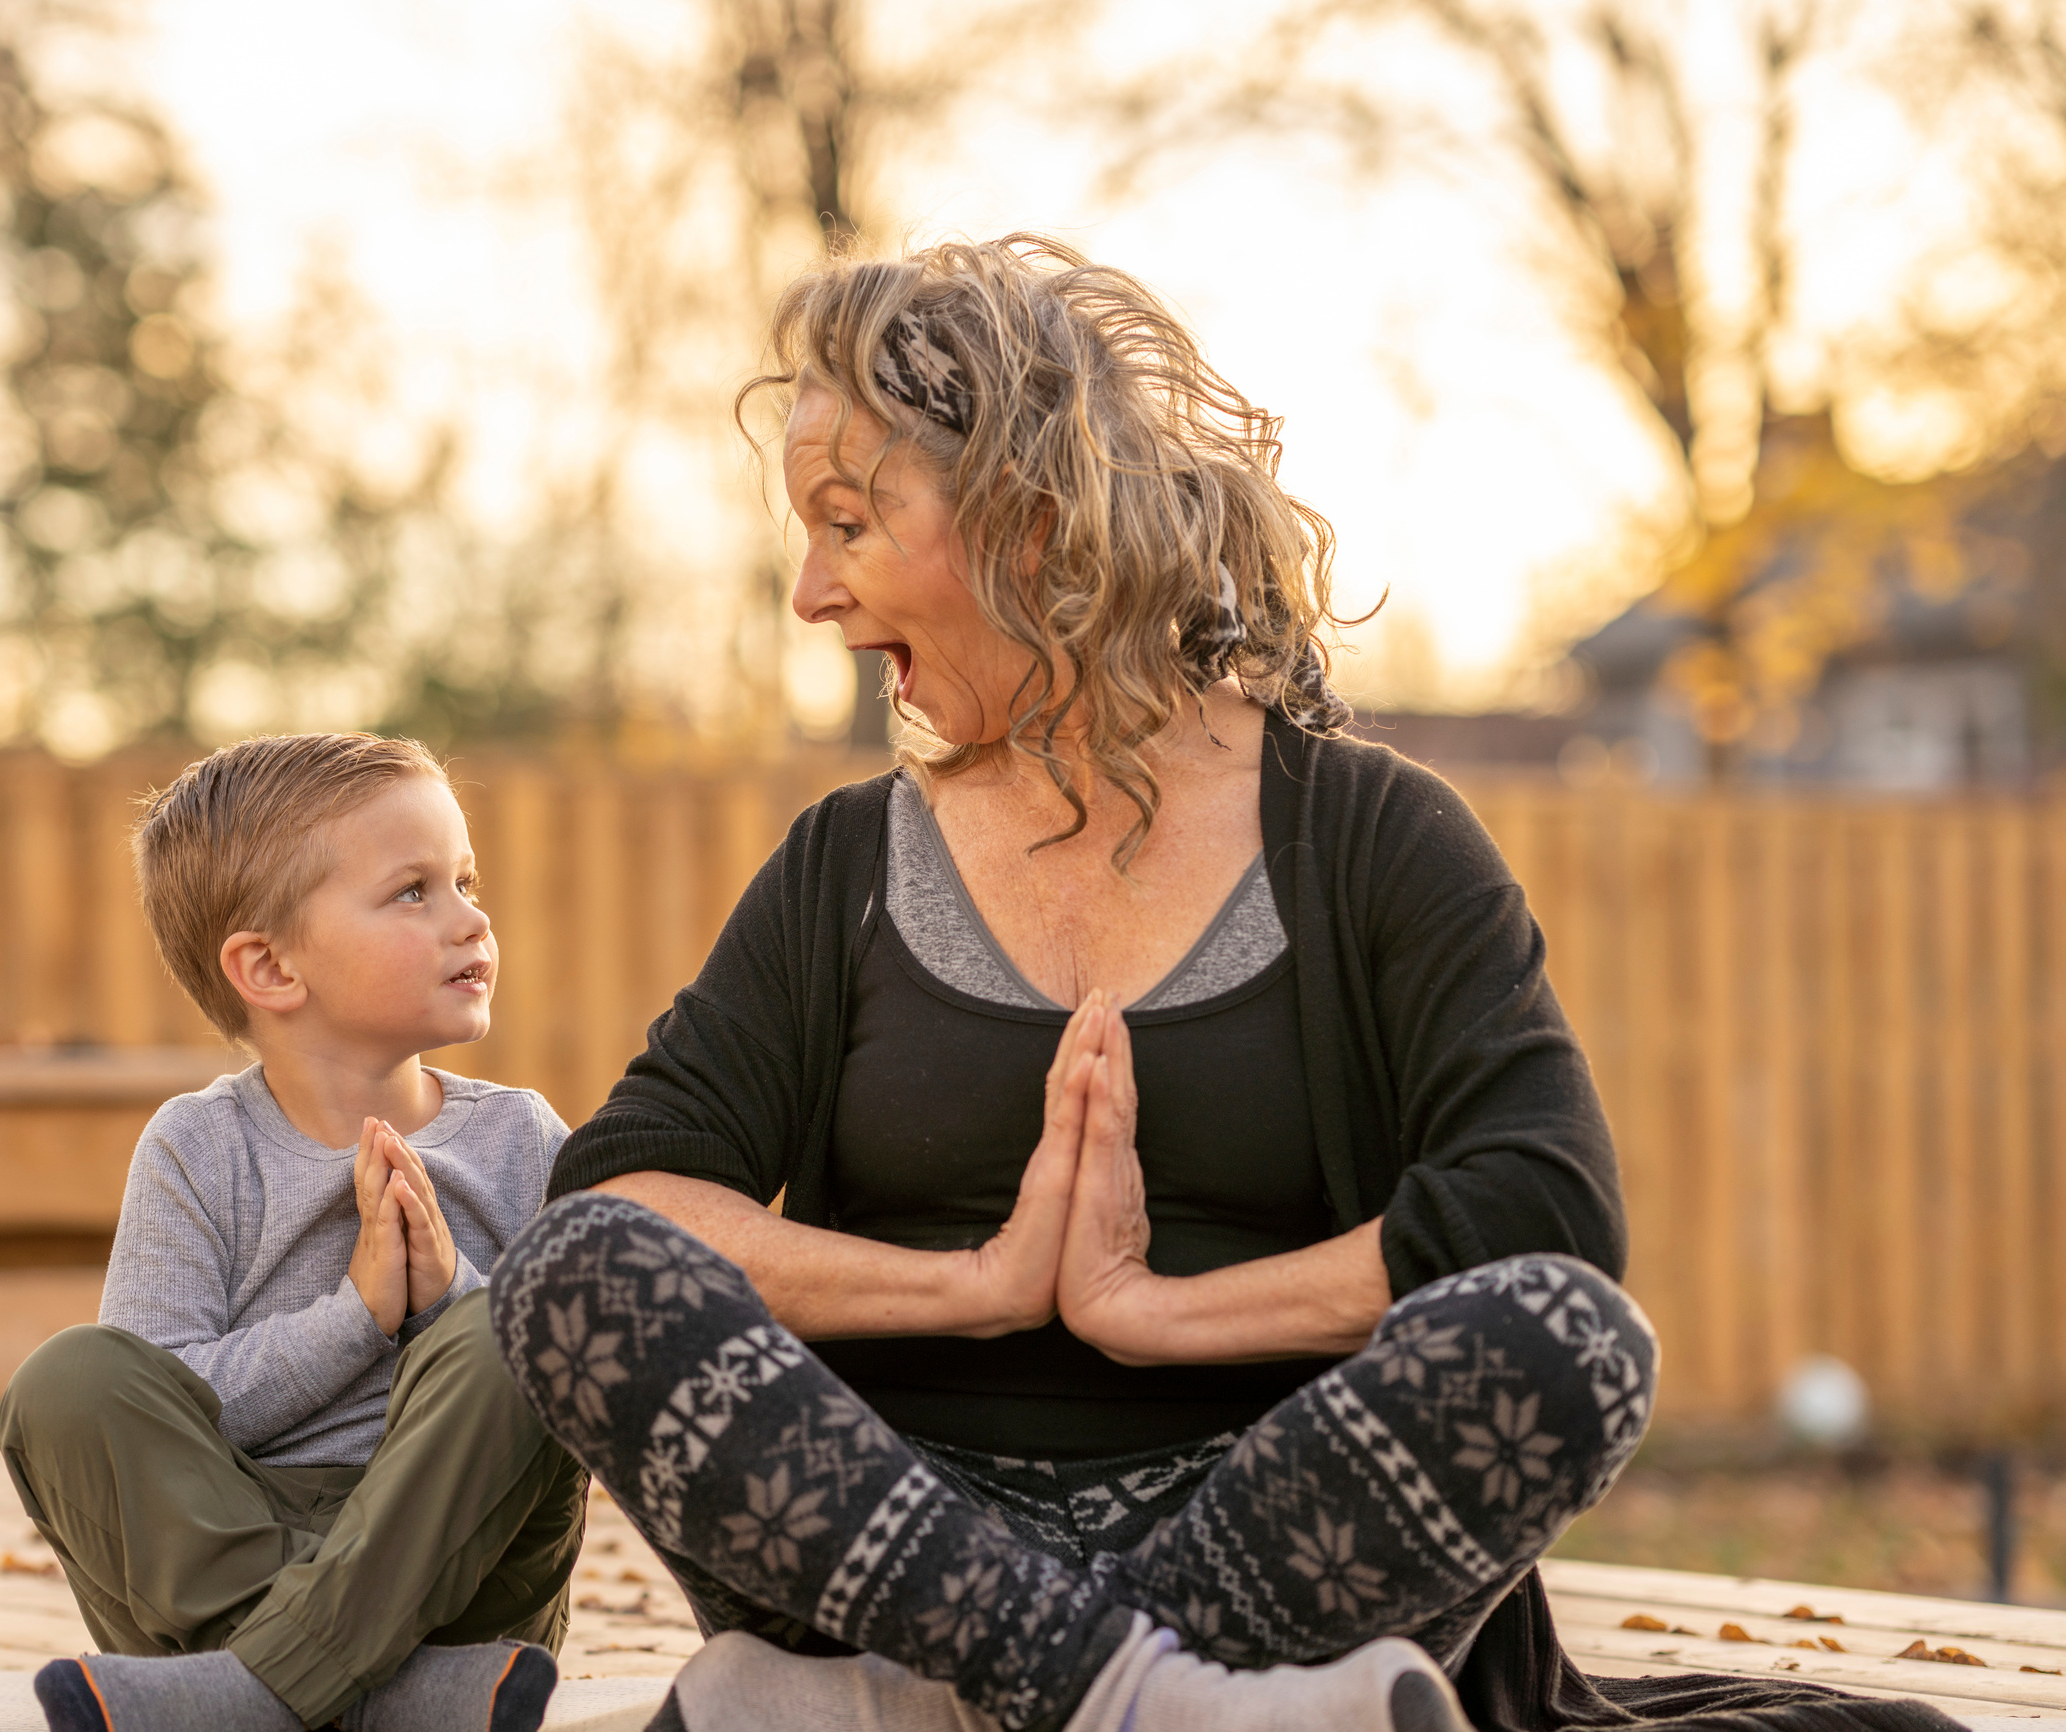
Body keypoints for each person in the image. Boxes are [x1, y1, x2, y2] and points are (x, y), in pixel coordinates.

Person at [486, 238, 1959, 1732]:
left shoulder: (1373, 836)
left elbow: (1541, 1216)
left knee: (1569, 1342)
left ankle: (925, 1712)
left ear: (1027, 522)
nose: (808, 592)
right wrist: (974, 1286)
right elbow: (628, 1203)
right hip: (889, 1549)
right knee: (570, 1273)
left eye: (849, 525)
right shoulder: (845, 864)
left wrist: (1154, 1312)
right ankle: (1143, 1703)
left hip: (1267, 1548)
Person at [0, 733, 586, 1732]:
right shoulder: (198, 1147)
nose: (471, 918)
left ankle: (254, 1692)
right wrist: (355, 1316)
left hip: (456, 1570)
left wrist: (450, 1302)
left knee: (525, 1329)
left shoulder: (519, 1137)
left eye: (465, 880)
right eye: (415, 892)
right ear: (268, 967)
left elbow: (597, 1396)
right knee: (67, 1383)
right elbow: (172, 1399)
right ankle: (392, 1700)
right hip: (228, 1534)